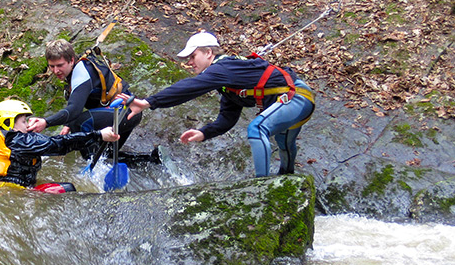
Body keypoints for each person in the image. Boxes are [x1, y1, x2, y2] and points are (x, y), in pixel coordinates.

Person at [122, 31, 315, 177]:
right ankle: (287, 179)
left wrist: (148, 102)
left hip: (296, 97)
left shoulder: (223, 67)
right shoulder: (226, 81)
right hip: (296, 102)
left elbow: (191, 87)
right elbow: (228, 118)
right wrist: (205, 132)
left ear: (208, 52)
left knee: (257, 129)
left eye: (192, 56)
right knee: (285, 144)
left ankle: (261, 187)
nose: (189, 62)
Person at [0, 99, 119, 191]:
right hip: (9, 190)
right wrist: (98, 135)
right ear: (8, 123)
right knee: (68, 188)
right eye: (23, 121)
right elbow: (58, 144)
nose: (27, 125)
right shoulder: (19, 140)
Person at [26, 39, 142, 153]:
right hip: (119, 112)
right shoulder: (77, 67)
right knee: (106, 156)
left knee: (79, 123)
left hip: (126, 112)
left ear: (71, 60)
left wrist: (46, 122)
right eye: (52, 66)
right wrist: (67, 124)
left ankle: (90, 168)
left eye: (60, 65)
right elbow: (77, 98)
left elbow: (74, 110)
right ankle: (152, 159)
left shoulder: (82, 73)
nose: (56, 71)